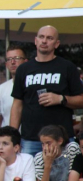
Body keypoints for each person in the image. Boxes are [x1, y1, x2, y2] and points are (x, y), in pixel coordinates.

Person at [10, 25, 83, 156]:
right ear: (35, 40)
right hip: (30, 139)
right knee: (30, 176)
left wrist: (61, 99)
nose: (44, 41)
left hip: (61, 139)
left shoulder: (67, 67)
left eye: (49, 38)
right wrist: (12, 138)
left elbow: (81, 100)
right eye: (41, 37)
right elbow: (17, 105)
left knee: (63, 176)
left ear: (57, 44)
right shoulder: (23, 69)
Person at [0, 45, 28, 128]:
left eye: (17, 58)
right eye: (9, 59)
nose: (12, 62)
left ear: (26, 61)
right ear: (6, 64)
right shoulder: (1, 89)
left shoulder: (33, 85)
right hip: (9, 138)